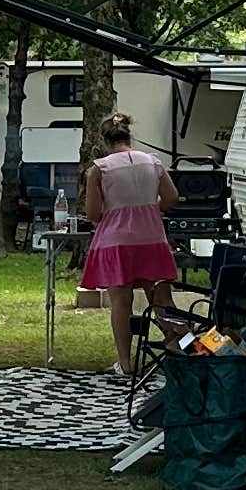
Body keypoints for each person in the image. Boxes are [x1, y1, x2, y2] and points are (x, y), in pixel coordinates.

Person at [70, 111, 177, 381]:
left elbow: (93, 213)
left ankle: (125, 363)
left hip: (116, 241)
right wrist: (155, 210)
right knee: (161, 299)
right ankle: (178, 348)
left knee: (121, 302)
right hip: (152, 238)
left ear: (105, 141)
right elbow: (172, 196)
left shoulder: (99, 169)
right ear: (130, 136)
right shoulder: (152, 162)